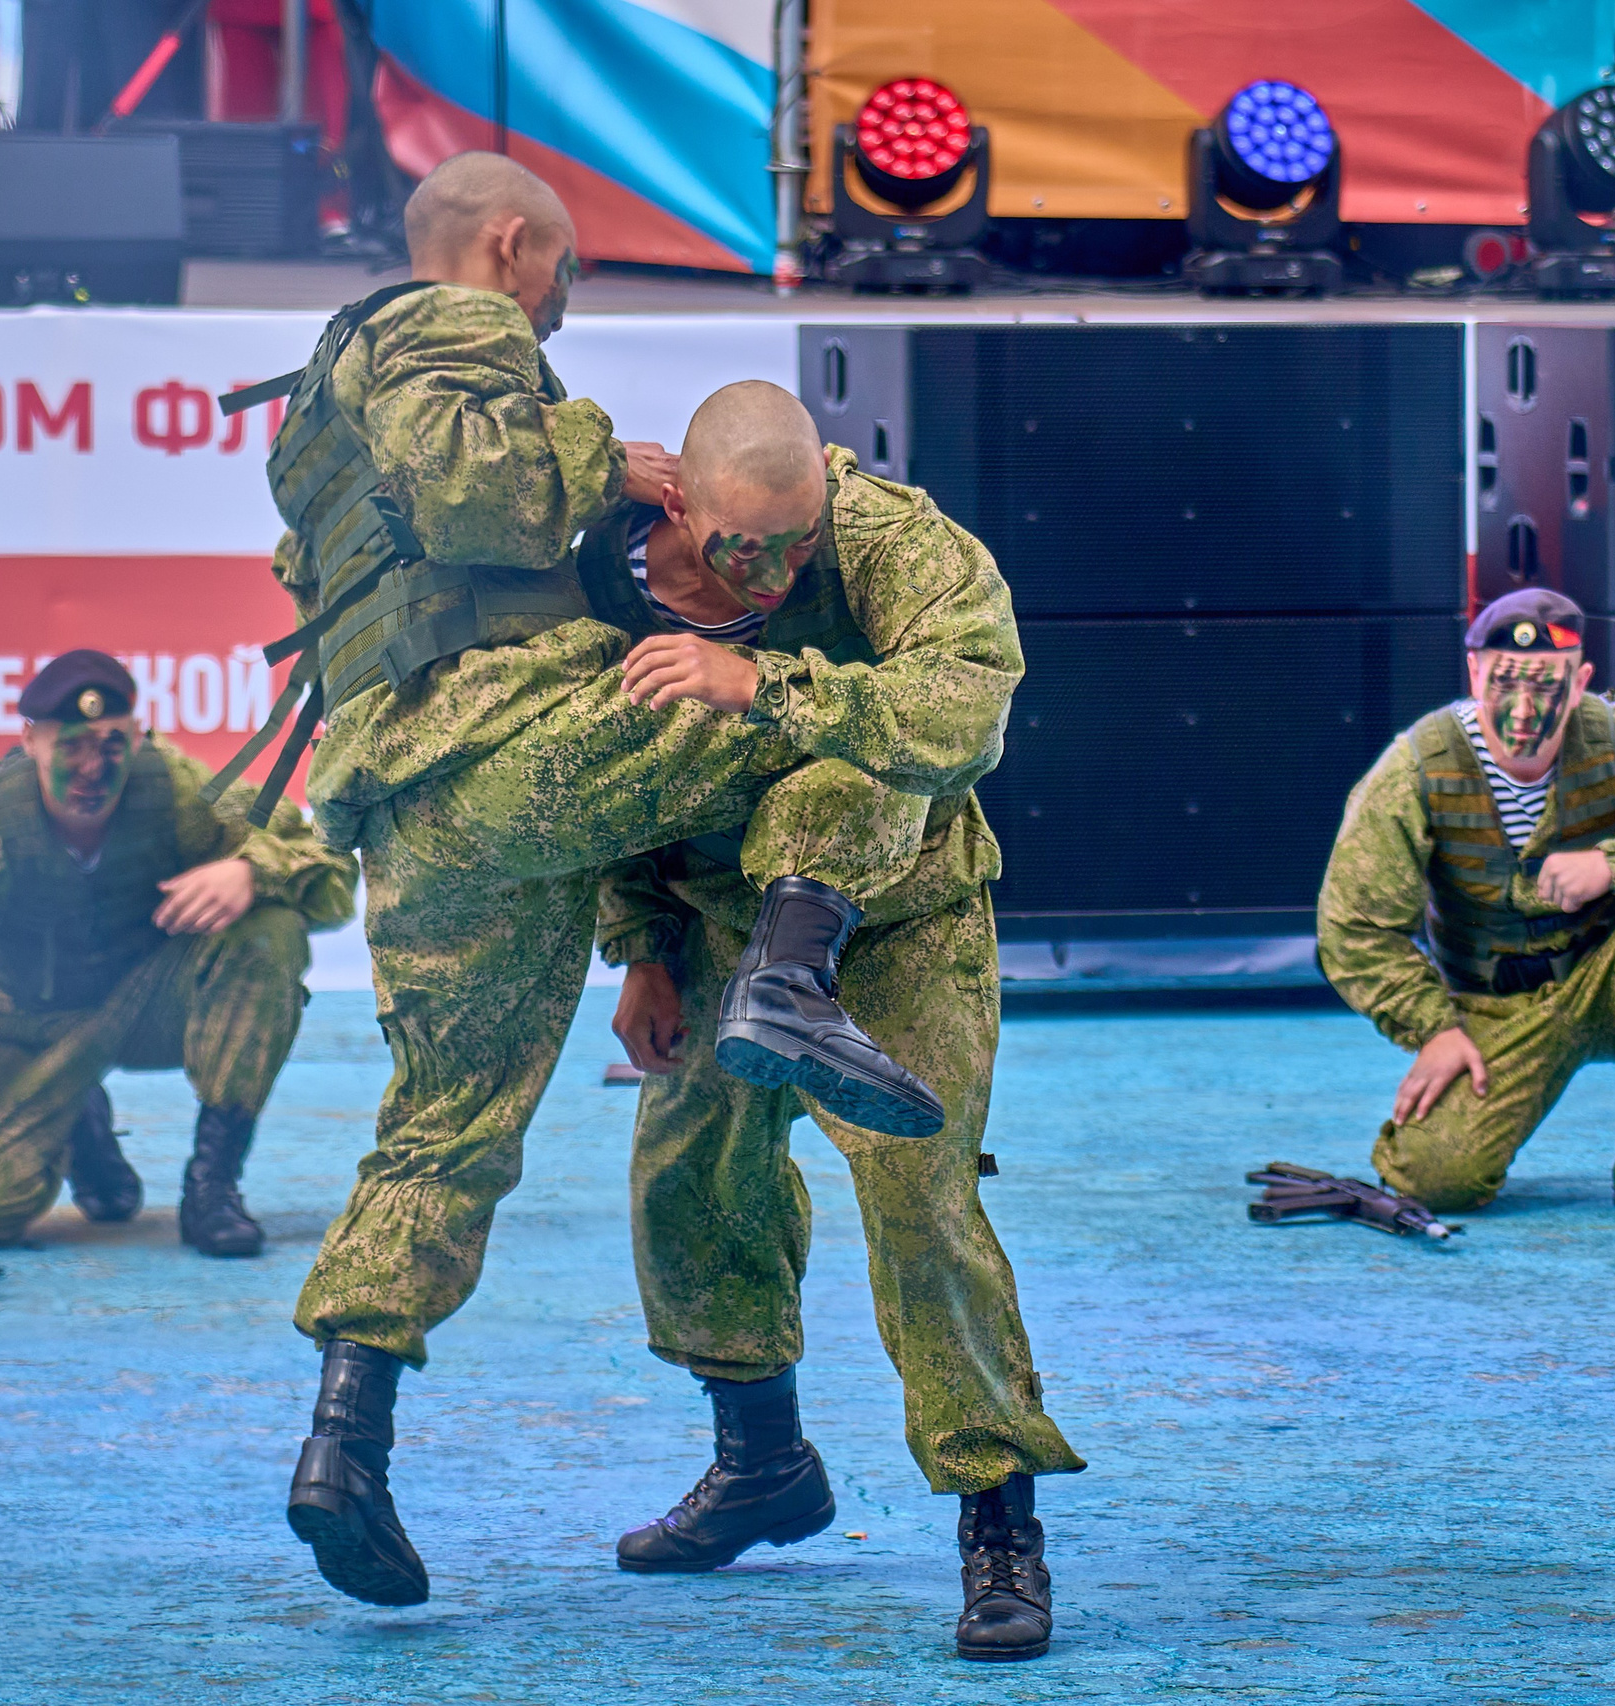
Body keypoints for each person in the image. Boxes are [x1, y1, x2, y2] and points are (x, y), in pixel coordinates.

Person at [265, 153, 981, 1608]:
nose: (561, 308)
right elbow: (477, 493)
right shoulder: (453, 323)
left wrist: (644, 938)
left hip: (412, 805)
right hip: (506, 743)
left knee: (442, 1128)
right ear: (515, 247)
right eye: (566, 277)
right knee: (824, 707)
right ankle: (794, 972)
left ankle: (348, 1437)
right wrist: (611, 460)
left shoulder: (312, 419)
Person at [592, 381, 1084, 1663]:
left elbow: (963, 713)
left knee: (919, 1196)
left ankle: (998, 1526)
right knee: (686, 1183)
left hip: (898, 915)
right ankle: (760, 1462)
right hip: (708, 915)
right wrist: (641, 948)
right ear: (680, 501)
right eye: (741, 545)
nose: (774, 564)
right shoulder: (604, 570)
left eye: (795, 537)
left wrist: (765, 683)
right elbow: (600, 778)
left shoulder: (892, 541)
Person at [0, 650, 358, 1258]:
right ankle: (78, 1118)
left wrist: (254, 871)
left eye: (112, 745)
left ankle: (213, 1188)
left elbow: (330, 871)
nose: (94, 768)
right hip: (29, 1027)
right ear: (31, 742)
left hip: (144, 1008)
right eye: (72, 746)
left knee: (270, 931)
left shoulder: (174, 787)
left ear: (139, 738)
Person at [1317, 588, 1615, 1221]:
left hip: (1614, 983)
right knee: (1434, 1180)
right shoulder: (1415, 769)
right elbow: (1353, 928)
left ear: (1581, 681)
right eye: (1503, 685)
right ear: (1473, 672)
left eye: (1548, 687)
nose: (1524, 712)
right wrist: (1432, 1026)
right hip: (1492, 1007)